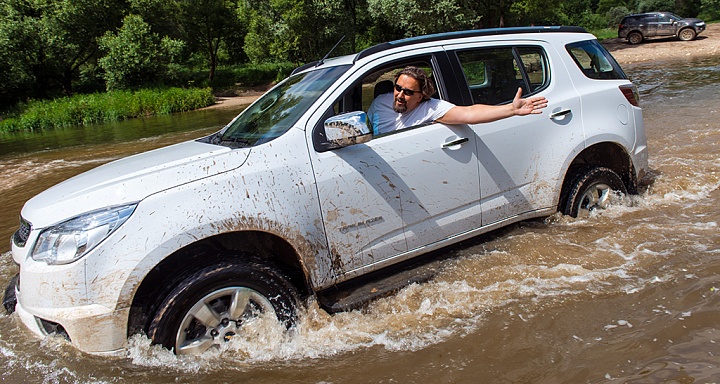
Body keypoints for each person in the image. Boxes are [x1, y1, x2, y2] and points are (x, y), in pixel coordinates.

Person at [368, 66, 548, 135]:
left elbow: (469, 113)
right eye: (397, 88)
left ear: (421, 96)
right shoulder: (380, 102)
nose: (399, 95)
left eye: (407, 92)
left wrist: (511, 109)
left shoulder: (430, 108)